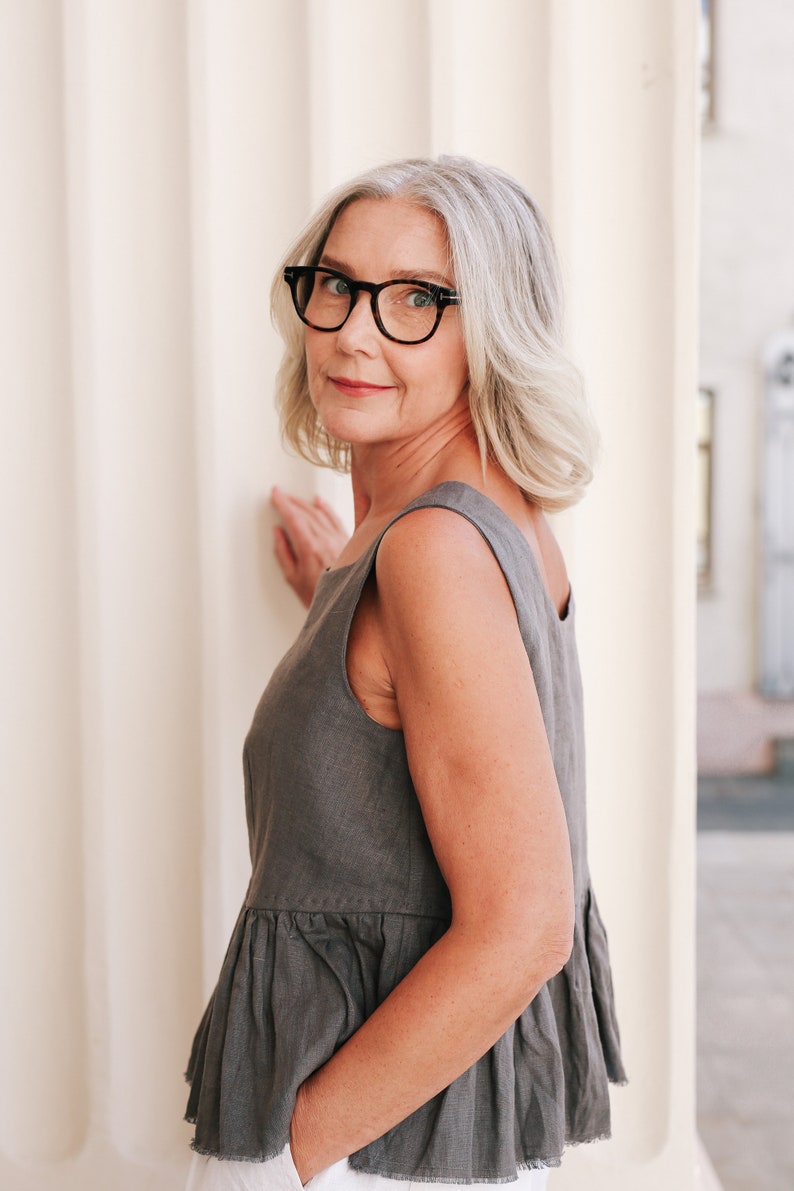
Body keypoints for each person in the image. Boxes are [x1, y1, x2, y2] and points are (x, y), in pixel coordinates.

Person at [184, 156, 626, 1190]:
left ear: (493, 328)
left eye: (416, 300)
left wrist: (299, 1147)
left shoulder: (429, 555)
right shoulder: (478, 521)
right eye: (334, 284)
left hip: (376, 1145)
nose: (351, 331)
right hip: (417, 1130)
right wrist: (337, 612)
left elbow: (524, 924)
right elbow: (432, 728)